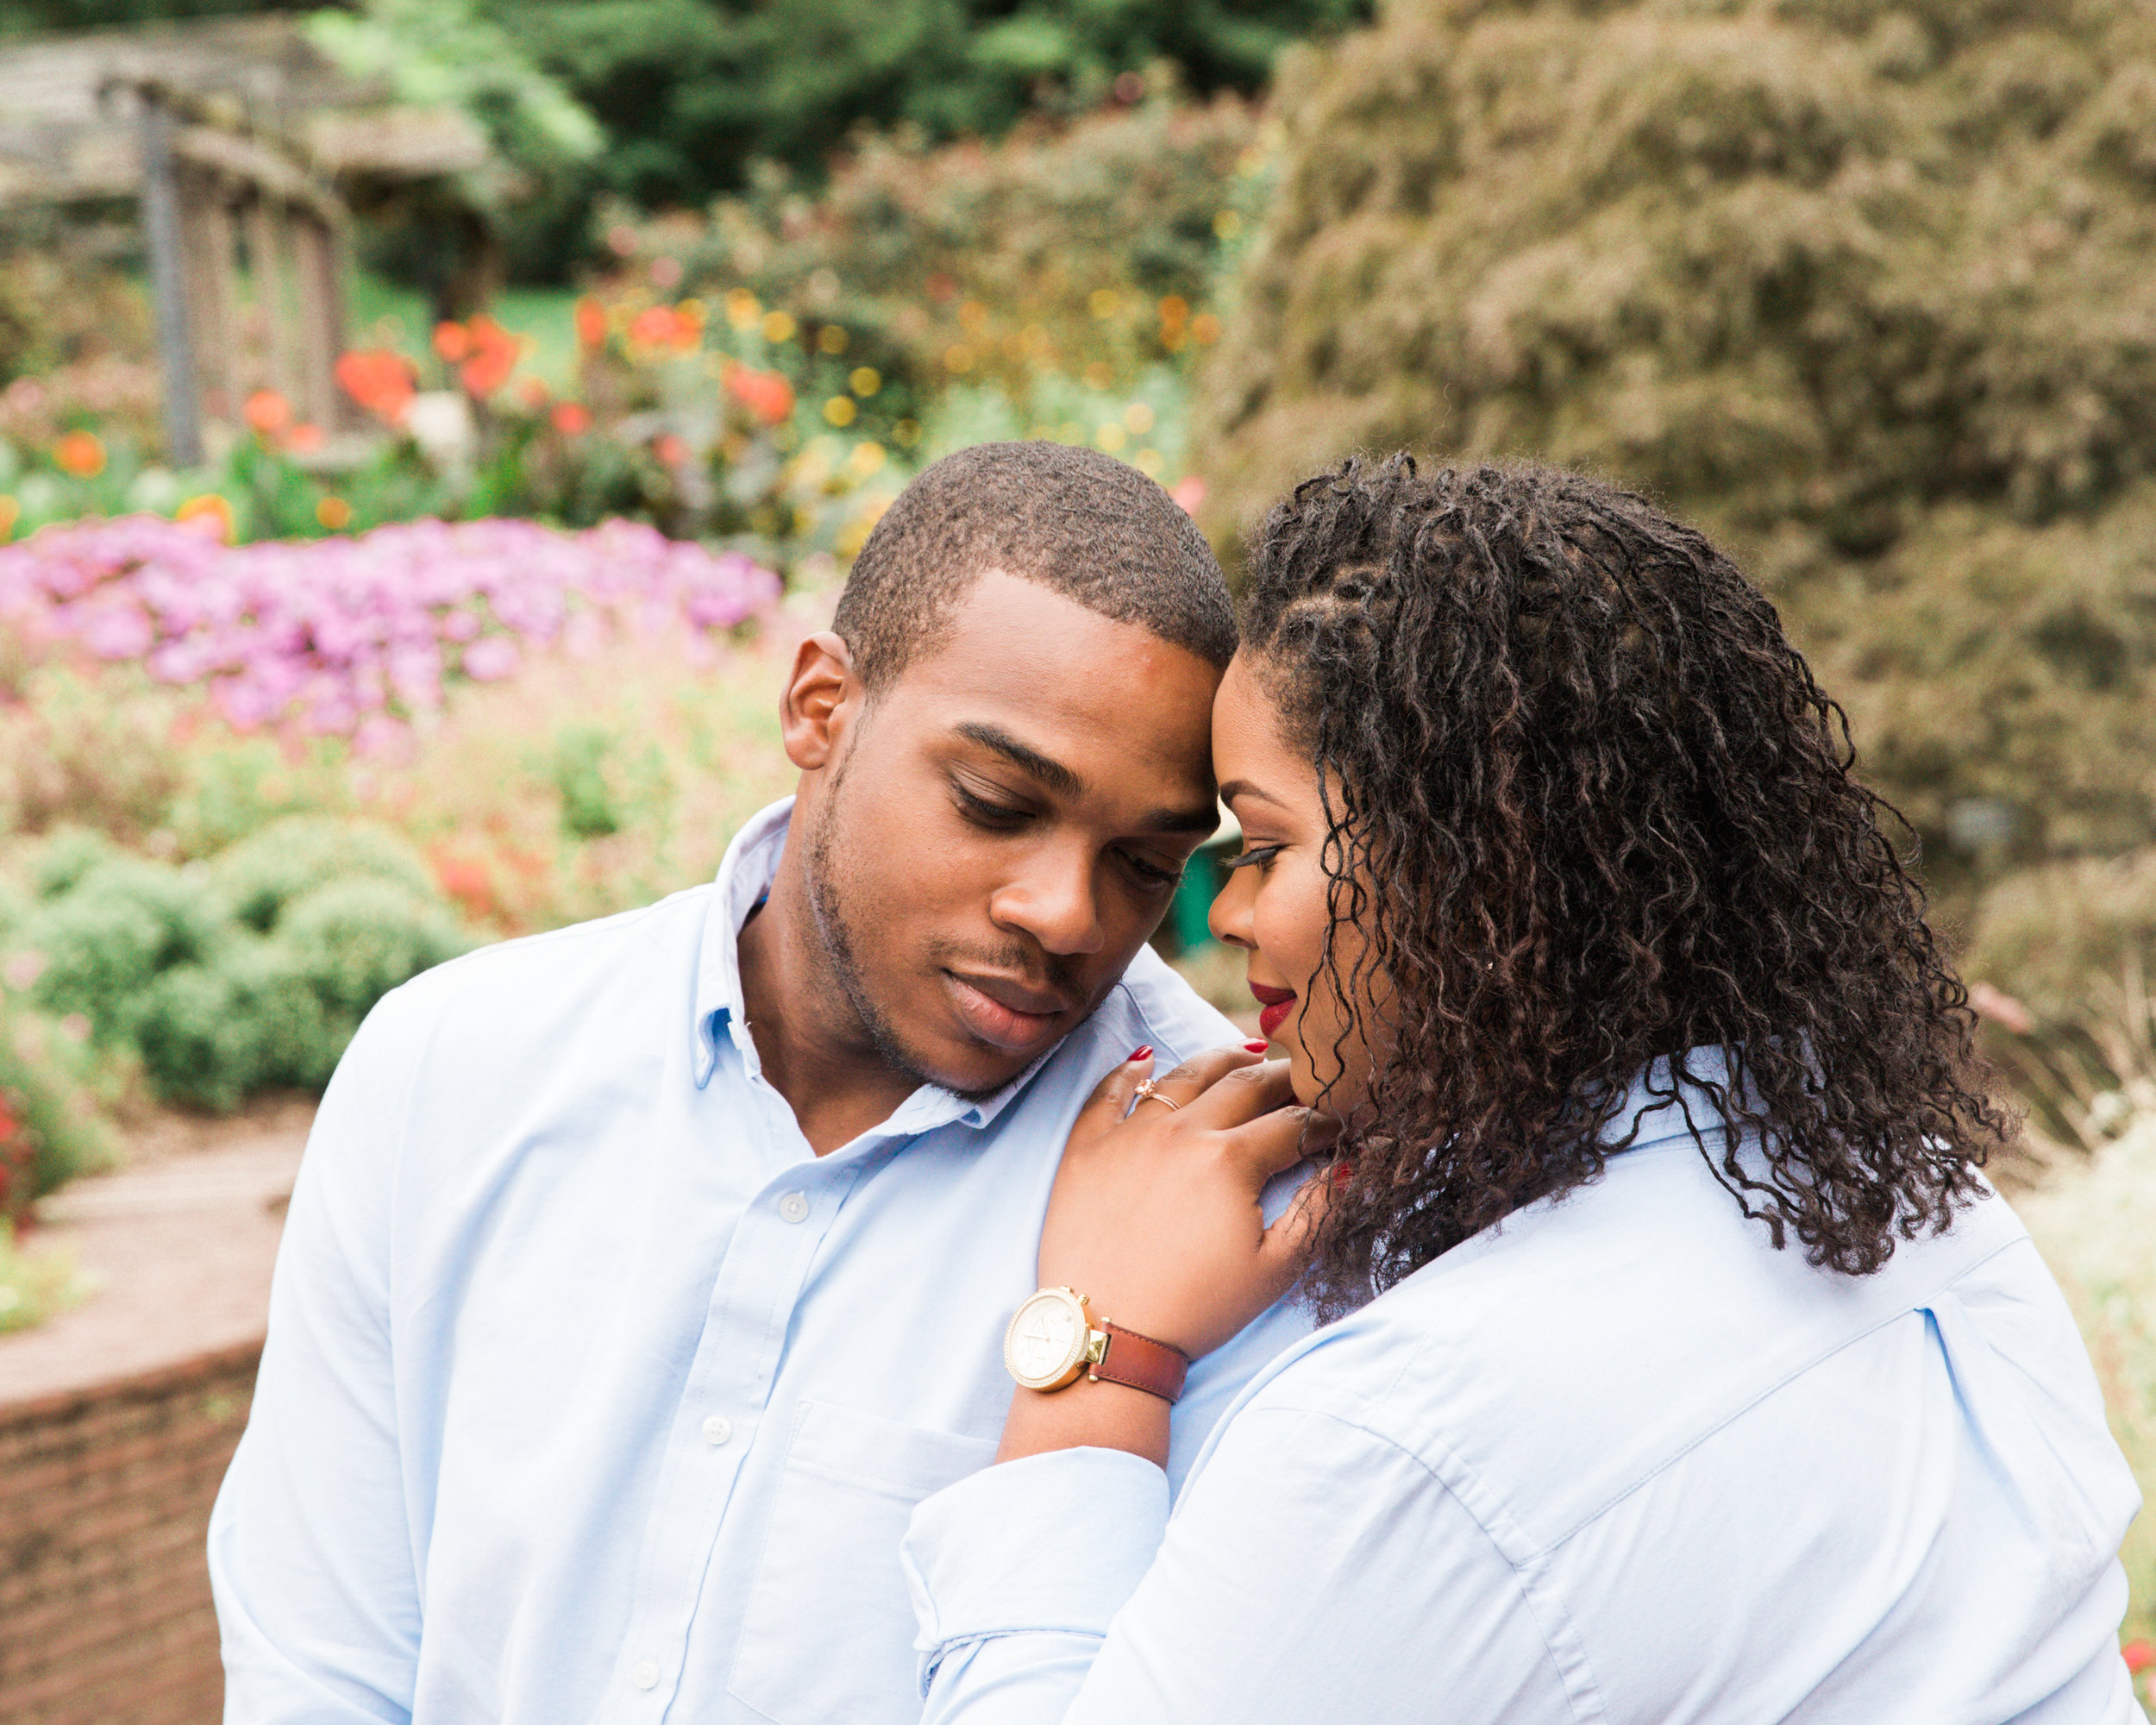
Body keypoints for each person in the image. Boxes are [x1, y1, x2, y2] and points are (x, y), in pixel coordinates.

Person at [903, 457, 2147, 1722]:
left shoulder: (1415, 1437)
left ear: (1471, 869)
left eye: (1267, 847)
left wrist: (1099, 1354)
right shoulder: (1918, 1202)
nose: (1224, 916)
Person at [209, 442, 1312, 1724]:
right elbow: (318, 1664)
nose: (1063, 914)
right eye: (996, 802)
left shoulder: (1223, 1197)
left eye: (1142, 862)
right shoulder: (452, 1069)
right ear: (820, 706)